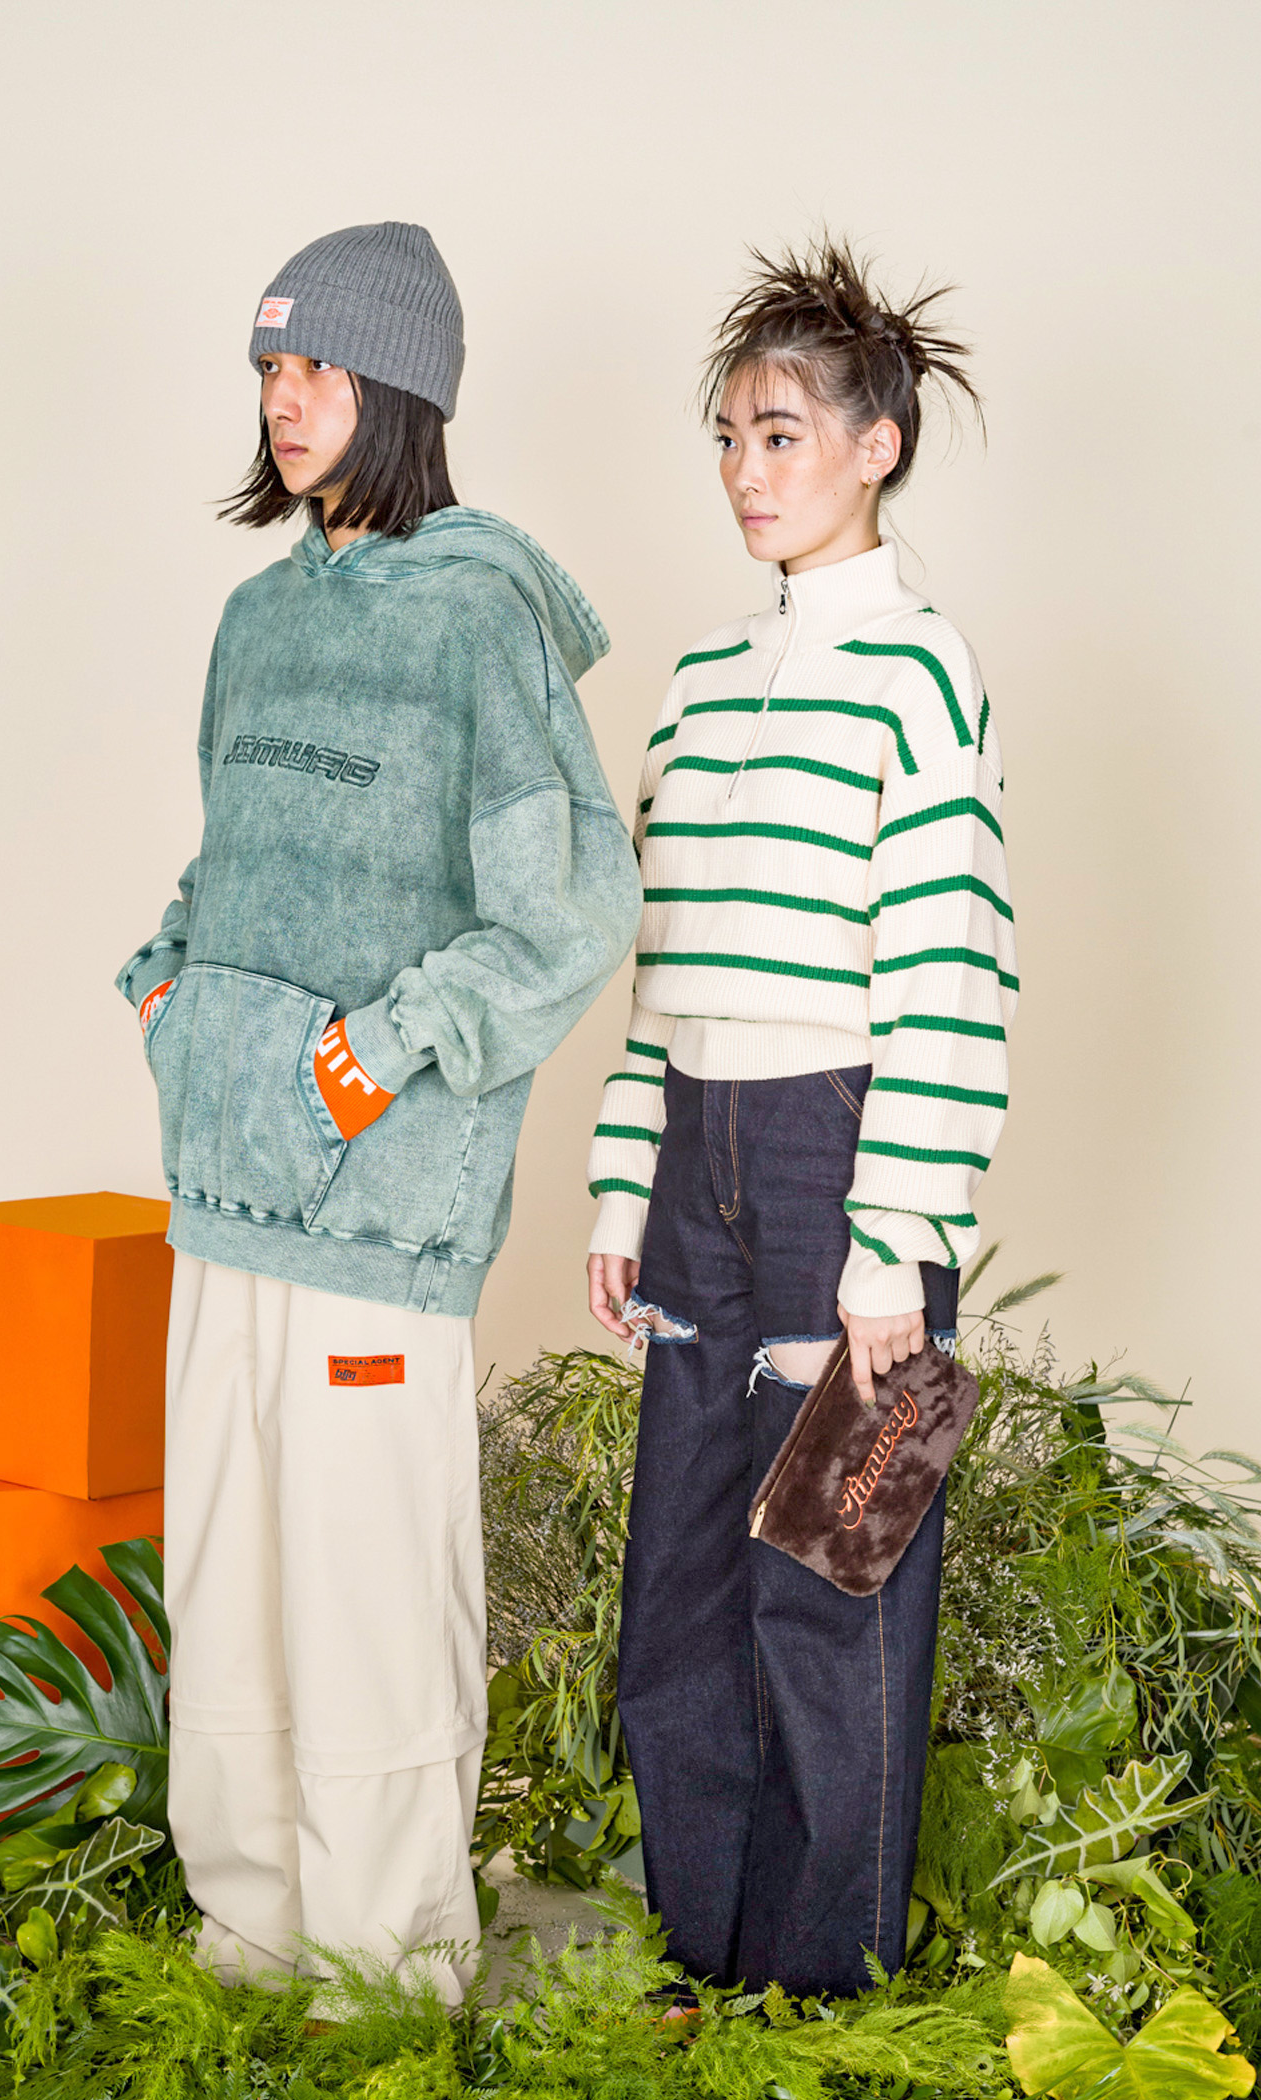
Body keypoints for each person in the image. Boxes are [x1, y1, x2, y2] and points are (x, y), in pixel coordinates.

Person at [118, 221, 641, 1999]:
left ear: (401, 387)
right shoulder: (256, 620)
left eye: (322, 369)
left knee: (363, 1600)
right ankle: (254, 1944)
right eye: (271, 369)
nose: (287, 401)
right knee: (234, 1591)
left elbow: (568, 911)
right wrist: (169, 983)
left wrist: (380, 1049)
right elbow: (235, 862)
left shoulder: (477, 618)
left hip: (379, 1205)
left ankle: (386, 1975)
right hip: (225, 1187)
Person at [585, 240, 1016, 1997]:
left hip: (844, 1152)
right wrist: (620, 1189)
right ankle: (703, 1958)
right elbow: (659, 966)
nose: (745, 474)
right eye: (728, 440)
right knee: (680, 1592)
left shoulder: (923, 675)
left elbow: (952, 969)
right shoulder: (697, 683)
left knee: (831, 1591)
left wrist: (896, 1234)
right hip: (696, 1152)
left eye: (779, 436)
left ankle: (827, 1992)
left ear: (874, 446)